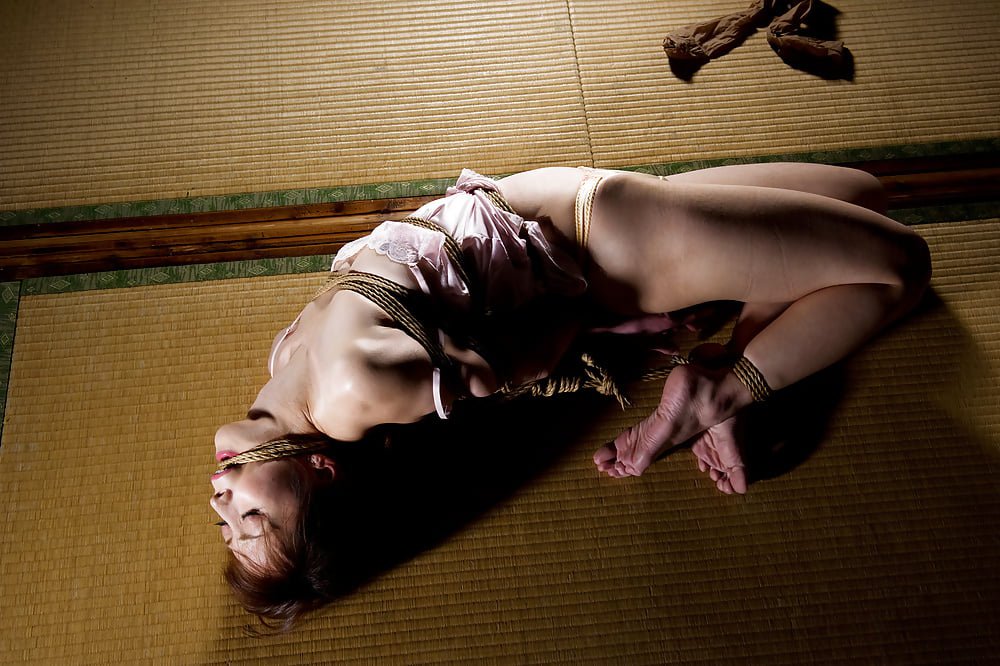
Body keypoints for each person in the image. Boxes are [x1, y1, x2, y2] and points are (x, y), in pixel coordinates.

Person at [210, 162, 931, 627]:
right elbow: (522, 359)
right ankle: (723, 394)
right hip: (612, 239)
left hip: (592, 213)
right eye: (252, 520)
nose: (223, 503)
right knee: (899, 263)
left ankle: (732, 358)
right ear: (319, 472)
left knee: (862, 195)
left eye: (228, 524)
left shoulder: (288, 372)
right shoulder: (346, 395)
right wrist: (610, 312)